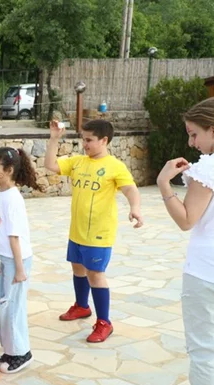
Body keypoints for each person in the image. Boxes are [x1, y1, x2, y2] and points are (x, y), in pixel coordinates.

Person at [155, 96, 214, 385]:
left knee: (205, 346)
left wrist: (164, 184)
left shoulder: (211, 168)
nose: (191, 142)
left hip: (209, 270)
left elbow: (187, 220)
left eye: (194, 134)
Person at [45, 119, 143, 343]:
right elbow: (51, 165)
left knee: (95, 275)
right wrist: (54, 139)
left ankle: (104, 323)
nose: (85, 144)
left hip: (99, 234)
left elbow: (131, 190)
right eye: (83, 139)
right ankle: (81, 306)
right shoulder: (78, 162)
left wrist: (135, 208)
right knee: (77, 267)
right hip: (76, 231)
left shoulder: (115, 166)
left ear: (104, 140)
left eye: (89, 140)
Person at [0, 147, 42, 374]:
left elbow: (14, 236)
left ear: (9, 170)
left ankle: (22, 352)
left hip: (17, 260)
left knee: (14, 308)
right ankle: (10, 350)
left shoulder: (13, 199)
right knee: (3, 306)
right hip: (6, 259)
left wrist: (19, 269)